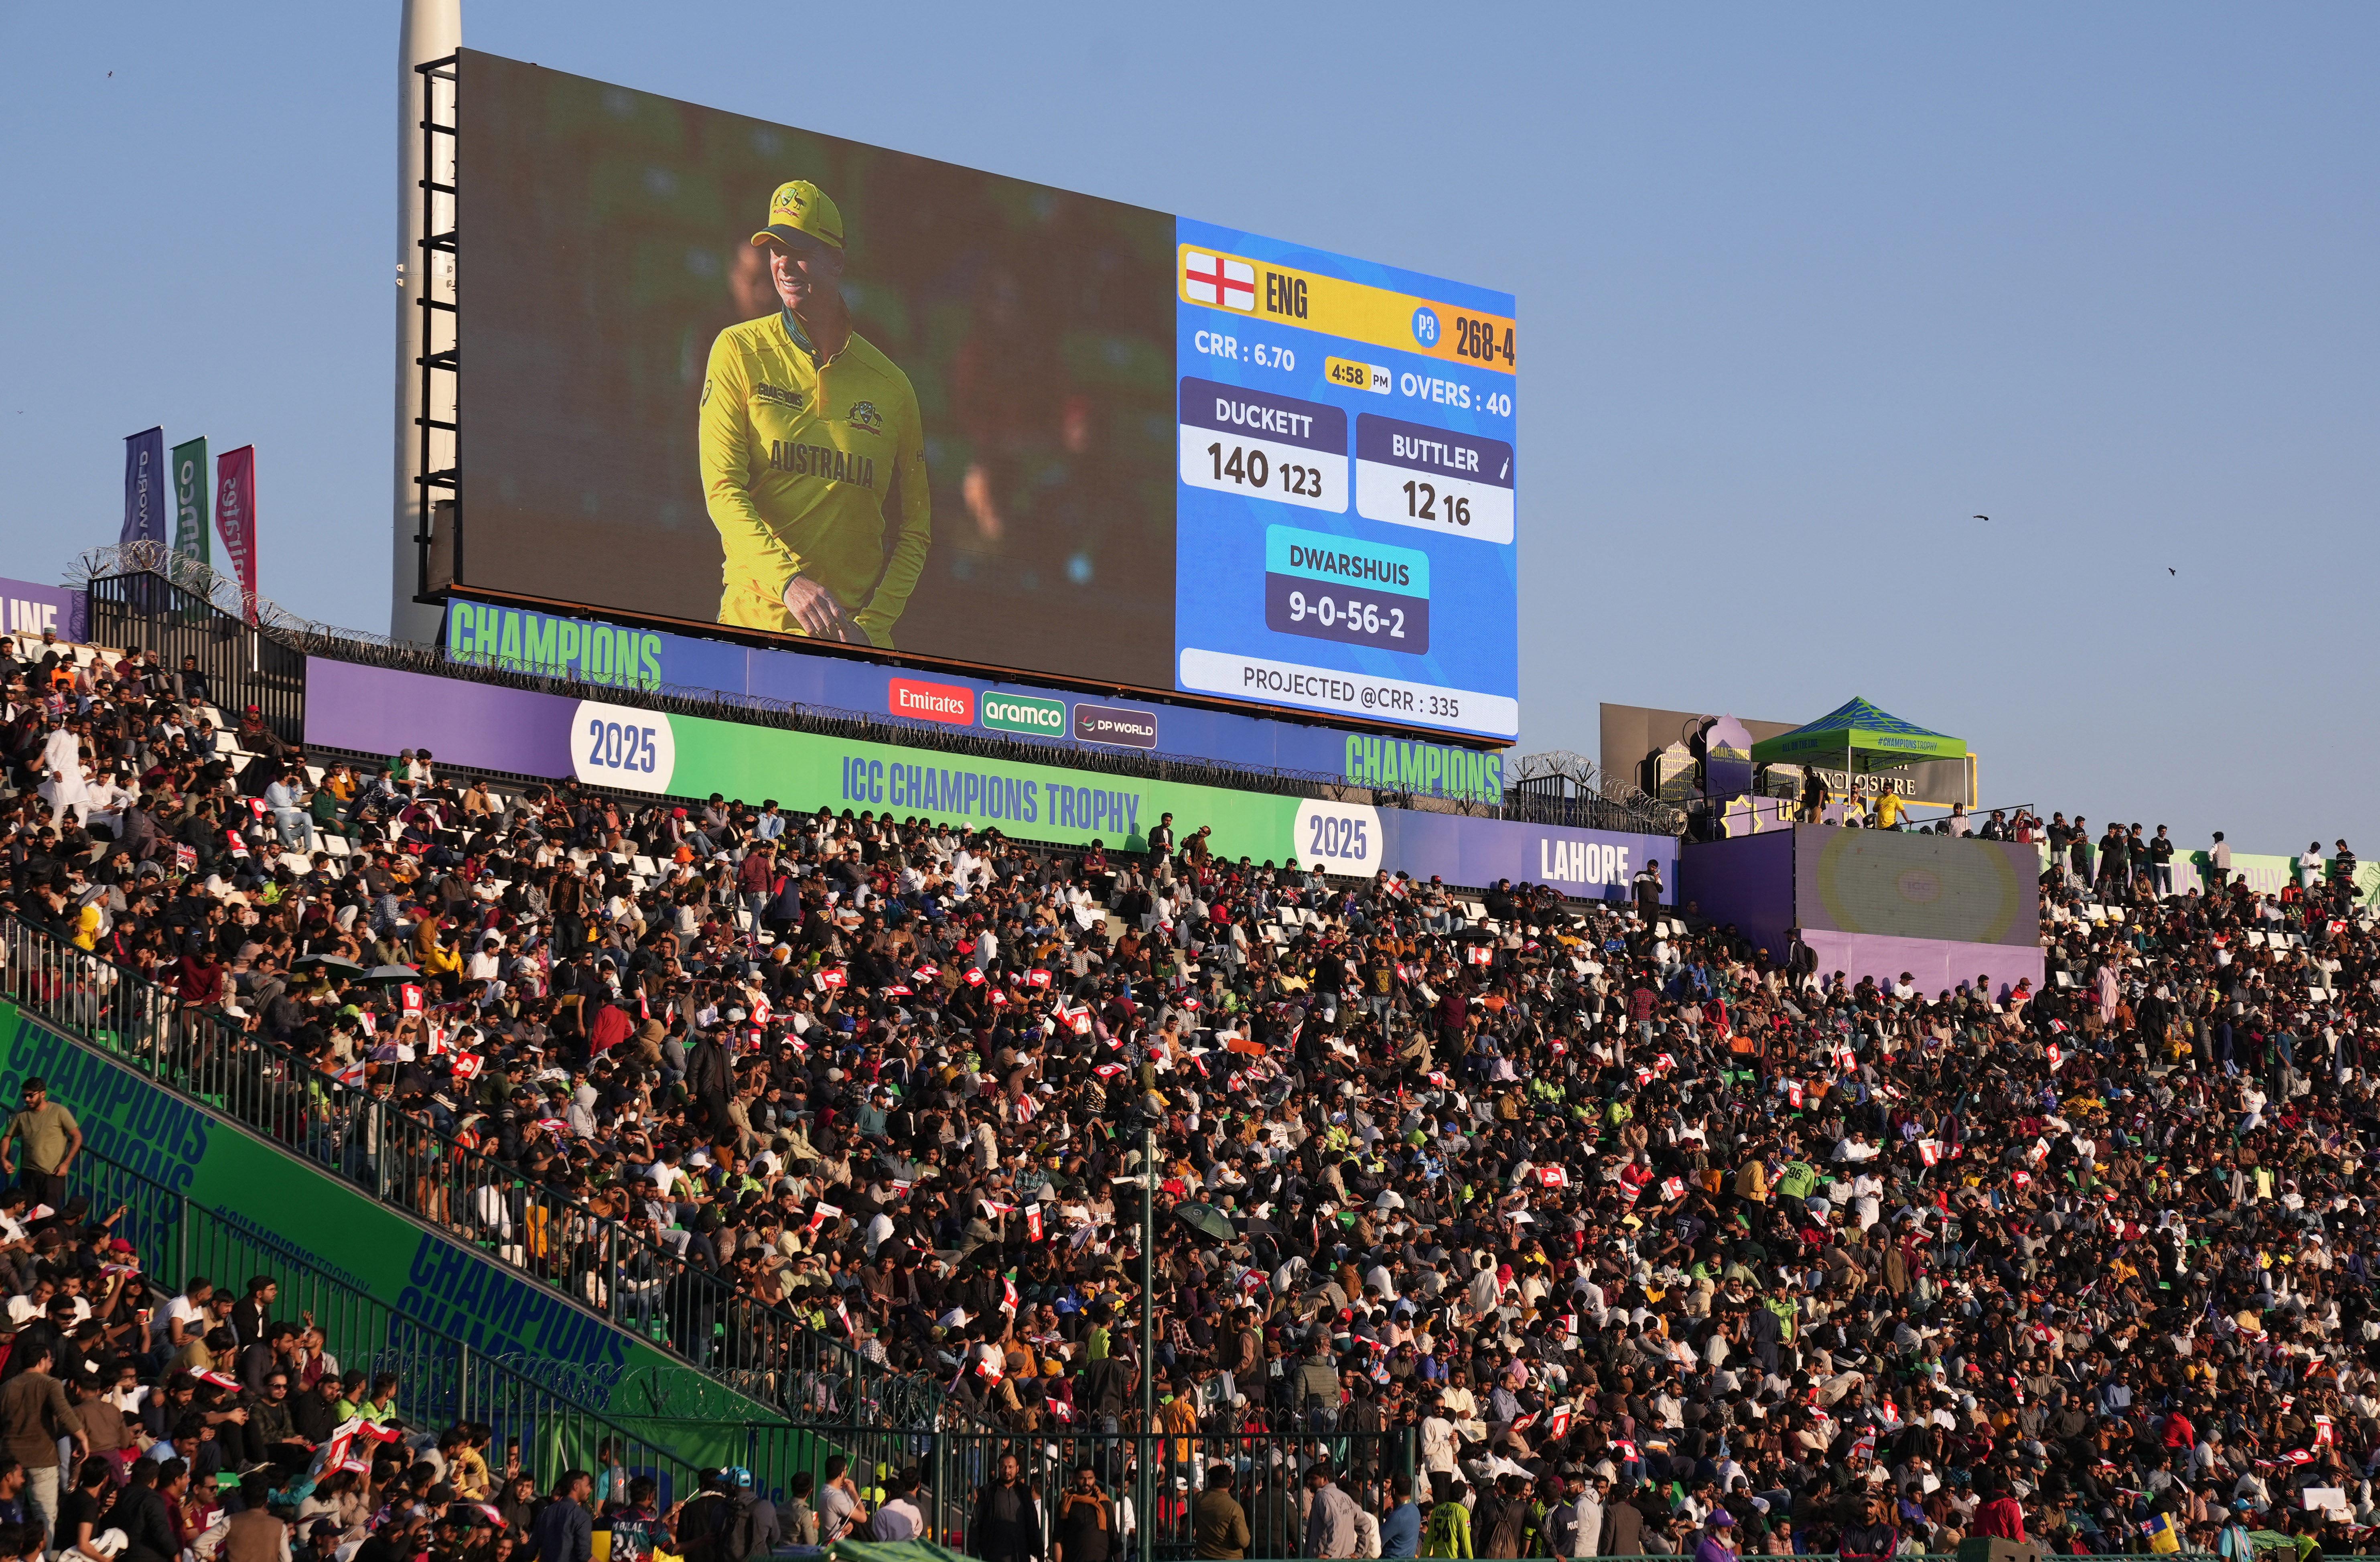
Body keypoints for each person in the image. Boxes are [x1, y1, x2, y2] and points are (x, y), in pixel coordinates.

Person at [700, 179, 931, 647]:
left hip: (854, 649)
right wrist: (789, 584)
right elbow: (723, 490)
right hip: (754, 631)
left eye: (800, 248)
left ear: (837, 261)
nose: (783, 263)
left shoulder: (892, 386)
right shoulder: (736, 350)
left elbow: (916, 532)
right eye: (775, 249)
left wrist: (874, 627)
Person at [0, 1078, 81, 1209]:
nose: (27, 1099)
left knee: (48, 1215)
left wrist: (66, 1164)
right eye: (24, 1096)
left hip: (52, 1174)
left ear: (43, 1094)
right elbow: (7, 1138)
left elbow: (77, 1137)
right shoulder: (22, 1115)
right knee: (30, 1215)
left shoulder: (59, 1111)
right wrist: (4, 1159)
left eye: (31, 1095)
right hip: (29, 1172)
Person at [973, 1454, 1038, 1562]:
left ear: (1017, 1469)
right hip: (995, 1553)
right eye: (1004, 1467)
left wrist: (1039, 1551)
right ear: (999, 1468)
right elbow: (976, 1523)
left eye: (1011, 1467)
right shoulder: (988, 1491)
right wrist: (974, 1551)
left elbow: (1034, 1523)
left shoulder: (1025, 1492)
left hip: (1021, 1553)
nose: (1007, 1471)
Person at [1053, 1466, 1114, 1562]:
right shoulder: (1066, 1504)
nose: (1087, 1483)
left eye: (1090, 1478)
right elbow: (1058, 1540)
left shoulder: (1104, 1503)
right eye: (1082, 1479)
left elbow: (1114, 1538)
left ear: (1095, 1479)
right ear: (1074, 1479)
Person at [532, 1471, 593, 1562]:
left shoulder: (545, 1513)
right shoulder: (582, 1517)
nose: (590, 1490)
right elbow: (584, 1555)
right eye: (588, 1486)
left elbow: (531, 1550)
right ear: (576, 1486)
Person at [1191, 1464, 1249, 1560]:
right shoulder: (1234, 1508)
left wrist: (1218, 1473)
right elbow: (1243, 1541)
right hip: (1230, 1558)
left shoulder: (1199, 1500)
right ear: (1232, 1483)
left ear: (1210, 1482)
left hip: (1203, 1558)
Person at [1303, 1465, 1360, 1560]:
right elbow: (1365, 1523)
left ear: (1325, 1479)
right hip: (1345, 1558)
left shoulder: (1323, 1496)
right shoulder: (1344, 1496)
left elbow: (1336, 1523)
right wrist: (1359, 1553)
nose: (1309, 1482)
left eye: (1313, 1478)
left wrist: (1329, 1553)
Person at [1377, 1473, 1421, 1560]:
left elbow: (1377, 1541)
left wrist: (1381, 1509)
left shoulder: (1398, 1517)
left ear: (1393, 1491)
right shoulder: (1416, 1510)